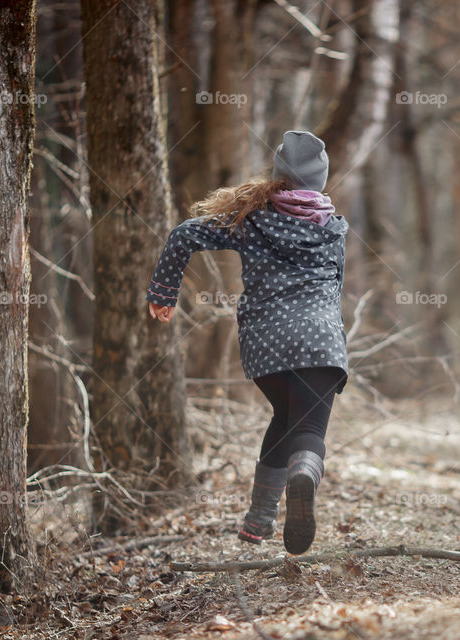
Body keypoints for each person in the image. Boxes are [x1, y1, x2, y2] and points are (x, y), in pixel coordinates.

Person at [146, 131, 348, 554]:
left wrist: (163, 294)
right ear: (319, 181)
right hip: (319, 342)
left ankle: (257, 523)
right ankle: (304, 477)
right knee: (308, 428)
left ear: (280, 177)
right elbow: (336, 288)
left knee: (282, 417)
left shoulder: (252, 219)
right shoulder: (333, 229)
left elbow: (184, 234)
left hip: (266, 346)